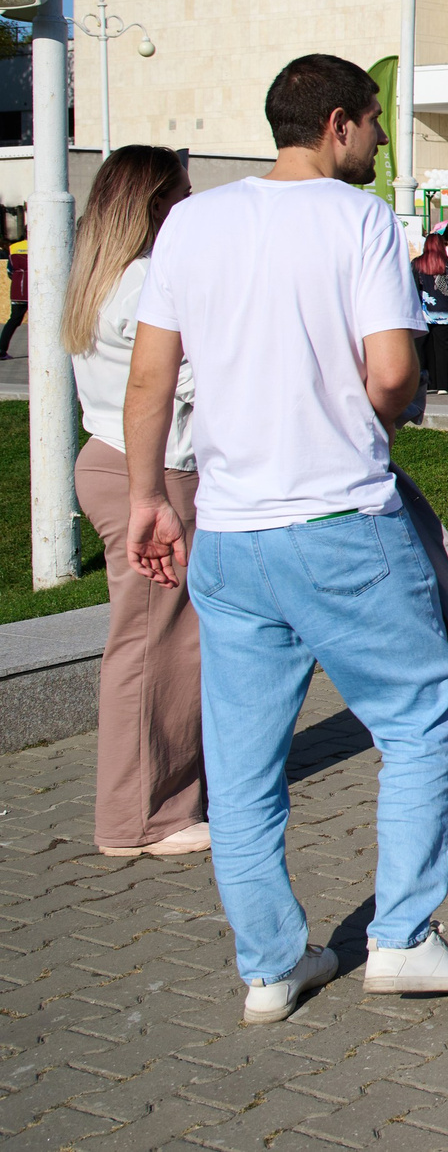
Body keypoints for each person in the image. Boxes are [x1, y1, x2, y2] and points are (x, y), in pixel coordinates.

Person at [125, 54, 448, 1024]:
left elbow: (150, 379)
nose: (378, 137)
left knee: (242, 768)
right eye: (374, 121)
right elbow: (388, 371)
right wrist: (389, 409)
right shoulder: (361, 220)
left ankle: (270, 964)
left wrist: (144, 500)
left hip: (230, 532)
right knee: (417, 717)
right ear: (337, 124)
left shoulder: (191, 221)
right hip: (338, 520)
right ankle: (403, 939)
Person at [67, 146, 207, 860]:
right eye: (184, 192)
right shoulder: (154, 281)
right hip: (151, 469)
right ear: (157, 205)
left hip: (110, 458)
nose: (194, 203)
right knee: (161, 645)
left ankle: (154, 803)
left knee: (148, 640)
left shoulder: (101, 278)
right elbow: (182, 383)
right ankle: (144, 818)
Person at [412, 231, 448, 395]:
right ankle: (444, 385)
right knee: (444, 349)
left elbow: (412, 289)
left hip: (423, 314)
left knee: (422, 350)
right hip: (446, 314)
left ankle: (424, 384)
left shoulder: (417, 264)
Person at [1, 230, 29, 358]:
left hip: (18, 291)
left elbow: (9, 271)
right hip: (37, 291)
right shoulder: (41, 246)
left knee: (14, 320)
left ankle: (1, 350)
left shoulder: (14, 248)